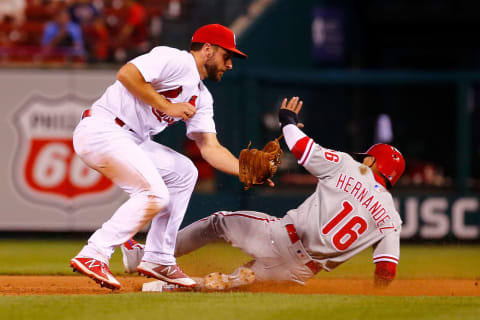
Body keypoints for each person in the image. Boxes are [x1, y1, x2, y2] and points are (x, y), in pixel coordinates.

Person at [122, 96, 406, 290]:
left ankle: (145, 258)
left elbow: (303, 150)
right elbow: (386, 271)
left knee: (218, 222)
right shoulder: (391, 219)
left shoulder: (351, 168)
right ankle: (164, 287)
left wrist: (288, 121)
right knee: (226, 286)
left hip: (279, 238)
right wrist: (376, 296)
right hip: (298, 273)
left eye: (365, 158)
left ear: (371, 162)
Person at [69, 23, 248, 290]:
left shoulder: (202, 97)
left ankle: (159, 258)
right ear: (208, 50)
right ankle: (95, 252)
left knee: (184, 172)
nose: (230, 64)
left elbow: (210, 147)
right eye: (227, 55)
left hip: (132, 139)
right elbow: (127, 74)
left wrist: (245, 170)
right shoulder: (175, 59)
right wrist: (168, 106)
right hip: (103, 128)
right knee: (154, 194)